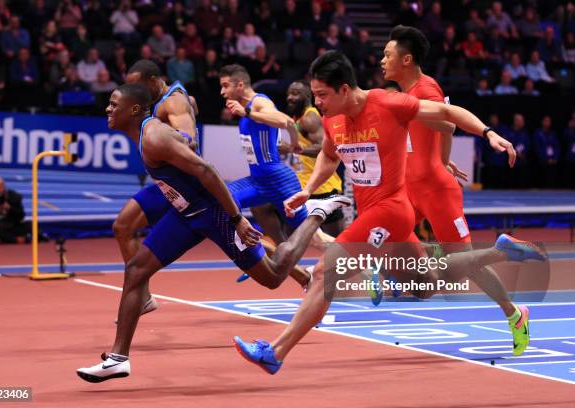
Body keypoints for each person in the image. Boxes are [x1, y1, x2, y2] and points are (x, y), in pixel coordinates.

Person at [233, 50, 545, 375]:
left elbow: (446, 112)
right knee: (428, 282)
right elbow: (329, 154)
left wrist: (488, 133)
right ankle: (499, 251)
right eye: (315, 95)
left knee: (326, 273)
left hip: (392, 209)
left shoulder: (387, 103)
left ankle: (275, 352)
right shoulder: (331, 118)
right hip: (375, 213)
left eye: (323, 95)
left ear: (344, 89)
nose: (318, 102)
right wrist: (308, 189)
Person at [76, 84, 351, 382]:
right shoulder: (149, 134)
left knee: (272, 277)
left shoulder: (153, 137)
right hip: (185, 215)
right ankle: (118, 358)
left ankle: (316, 215)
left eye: (113, 103)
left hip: (214, 215)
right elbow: (185, 145)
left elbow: (207, 171)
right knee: (136, 269)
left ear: (132, 109)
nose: (107, 108)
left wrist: (236, 219)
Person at [381, 25, 532, 352]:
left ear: (406, 59)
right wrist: (442, 158)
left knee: (464, 264)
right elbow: (440, 135)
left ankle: (514, 312)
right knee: (387, 235)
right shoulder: (400, 92)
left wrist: (476, 141)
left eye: (388, 55)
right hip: (411, 186)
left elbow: (448, 123)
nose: (382, 61)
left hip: (435, 190)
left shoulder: (425, 89)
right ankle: (388, 273)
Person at [219, 65, 332, 283]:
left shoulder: (259, 103)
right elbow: (289, 126)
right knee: (220, 203)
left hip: (279, 181)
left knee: (316, 239)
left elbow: (286, 121)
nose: (222, 92)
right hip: (258, 180)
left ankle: (366, 262)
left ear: (240, 85)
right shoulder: (247, 107)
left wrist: (248, 113)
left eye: (225, 86)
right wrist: (296, 145)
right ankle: (262, 255)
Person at [112, 59, 199, 319]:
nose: (133, 94)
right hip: (167, 183)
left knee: (241, 243)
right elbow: (192, 105)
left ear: (153, 81)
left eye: (137, 87)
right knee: (122, 227)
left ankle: (303, 274)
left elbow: (190, 140)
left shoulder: (173, 102)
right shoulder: (172, 99)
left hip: (185, 185)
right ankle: (143, 297)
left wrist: (160, 138)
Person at [280, 80, 344, 237]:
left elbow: (325, 148)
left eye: (295, 93)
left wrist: (289, 148)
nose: (290, 97)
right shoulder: (298, 118)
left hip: (323, 189)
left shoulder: (310, 118)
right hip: (303, 188)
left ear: (307, 96)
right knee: (289, 237)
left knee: (338, 241)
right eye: (289, 93)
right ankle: (284, 261)